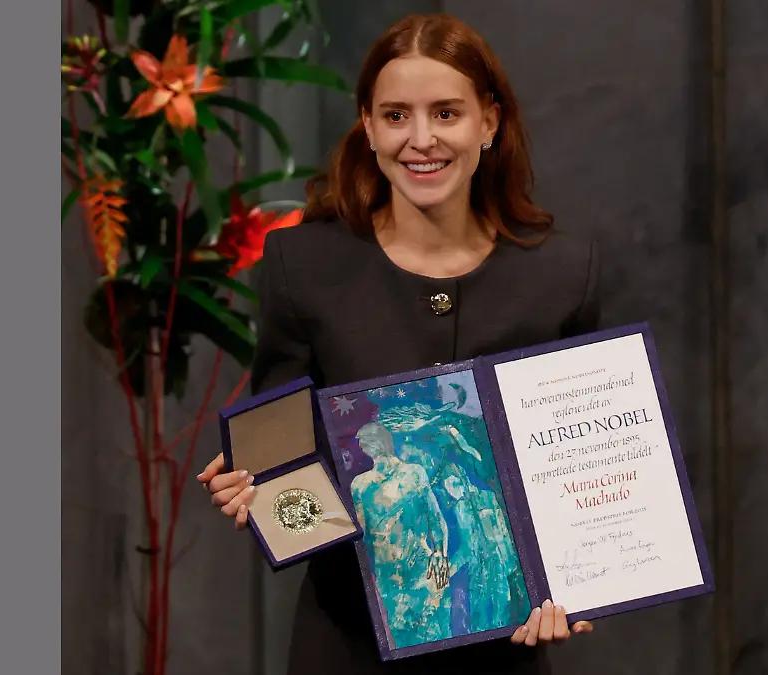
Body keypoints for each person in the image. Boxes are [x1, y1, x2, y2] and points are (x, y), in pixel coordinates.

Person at [195, 12, 599, 675]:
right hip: (345, 644)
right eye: (395, 115)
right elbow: (281, 457)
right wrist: (258, 488)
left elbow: (580, 468)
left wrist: (582, 582)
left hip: (502, 649)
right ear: (368, 126)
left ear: (489, 122)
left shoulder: (560, 275)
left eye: (446, 113)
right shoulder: (304, 267)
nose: (421, 139)